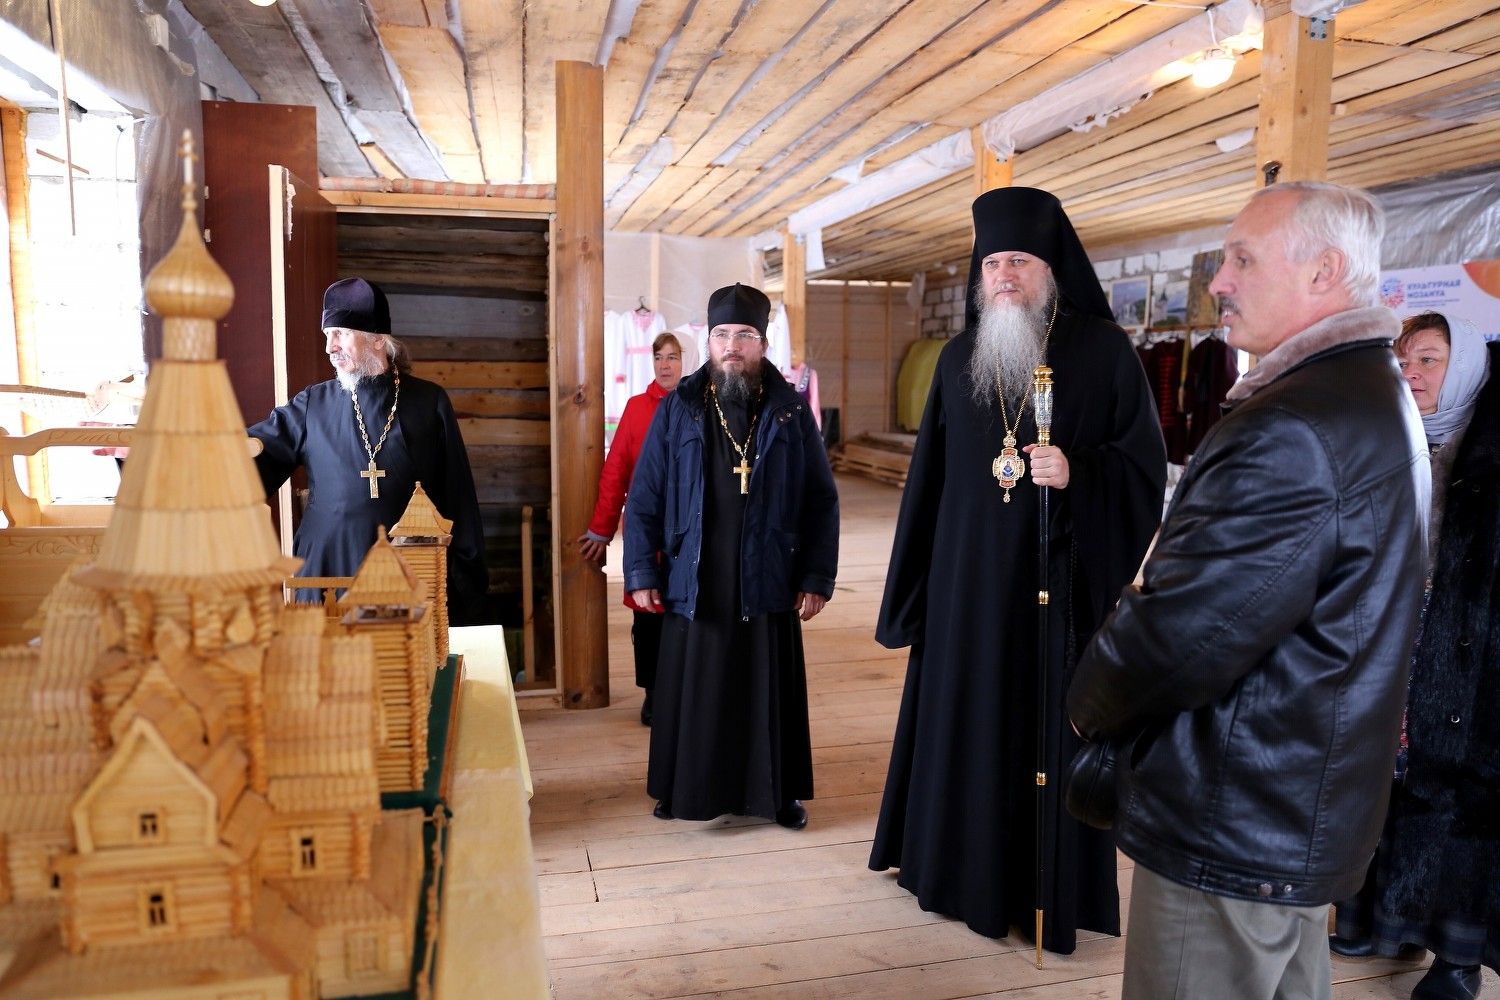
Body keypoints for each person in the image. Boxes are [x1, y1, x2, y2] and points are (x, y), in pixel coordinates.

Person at [1066, 182, 1430, 1000]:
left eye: (1242, 259)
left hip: (1232, 817)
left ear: (1323, 272)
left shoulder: (1294, 425)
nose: (1219, 282)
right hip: (1294, 809)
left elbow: (1183, 634)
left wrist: (1087, 705)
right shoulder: (1371, 393)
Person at [870, 186, 1167, 954]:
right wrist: (911, 600)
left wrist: (1078, 474)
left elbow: (1142, 471)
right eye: (993, 262)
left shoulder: (1104, 352)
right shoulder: (957, 358)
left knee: (1039, 731)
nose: (1004, 274)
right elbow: (927, 488)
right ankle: (951, 876)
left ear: (1051, 268)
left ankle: (1037, 891)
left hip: (1056, 591)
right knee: (964, 728)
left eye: (1020, 261)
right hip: (964, 591)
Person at [623, 283, 838, 829]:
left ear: (762, 343)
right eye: (722, 334)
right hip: (696, 570)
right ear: (709, 341)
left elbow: (820, 499)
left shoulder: (790, 411)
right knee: (696, 687)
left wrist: (815, 575)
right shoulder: (679, 408)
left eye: (745, 335)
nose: (732, 346)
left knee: (764, 686)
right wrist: (642, 570)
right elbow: (644, 496)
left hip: (768, 572)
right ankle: (681, 789)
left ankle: (777, 794)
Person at [1330, 311, 1497, 1000]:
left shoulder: (1490, 449)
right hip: (1396, 638)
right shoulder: (1392, 437)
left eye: (1429, 359)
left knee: (1464, 802)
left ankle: (1458, 956)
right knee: (1387, 779)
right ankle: (1380, 920)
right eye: (1403, 359)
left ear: (1464, 369)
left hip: (1475, 654)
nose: (1412, 373)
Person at [250, 277, 488, 621]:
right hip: (327, 573)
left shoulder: (428, 402)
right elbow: (259, 449)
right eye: (327, 335)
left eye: (340, 334)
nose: (330, 347)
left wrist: (466, 583)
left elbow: (457, 494)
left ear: (378, 339)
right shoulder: (312, 404)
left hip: (407, 572)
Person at [577, 332, 685, 726]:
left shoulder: (701, 407)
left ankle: (687, 694)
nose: (665, 365)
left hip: (691, 533)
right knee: (649, 614)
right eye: (659, 357)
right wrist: (600, 529)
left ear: (685, 360)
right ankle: (654, 694)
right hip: (649, 532)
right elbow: (616, 471)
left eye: (672, 357)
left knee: (687, 615)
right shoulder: (637, 408)